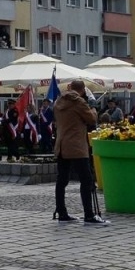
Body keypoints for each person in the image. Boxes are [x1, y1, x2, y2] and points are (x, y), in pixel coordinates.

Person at [52, 79, 105, 223]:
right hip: (76, 146)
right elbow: (92, 119)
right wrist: (93, 106)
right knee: (86, 180)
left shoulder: (58, 102)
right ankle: (89, 214)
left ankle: (61, 212)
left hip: (62, 145)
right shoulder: (79, 102)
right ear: (82, 90)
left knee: (61, 180)